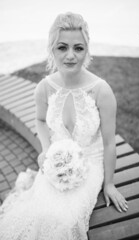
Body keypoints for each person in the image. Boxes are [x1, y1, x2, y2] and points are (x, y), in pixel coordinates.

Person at [0, 12, 128, 239]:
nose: (70, 56)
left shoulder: (101, 91)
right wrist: (47, 149)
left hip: (90, 163)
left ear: (86, 50)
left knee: (66, 221)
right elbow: (40, 120)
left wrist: (109, 184)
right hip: (56, 160)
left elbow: (109, 143)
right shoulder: (44, 88)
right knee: (37, 214)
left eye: (78, 48)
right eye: (62, 48)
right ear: (52, 49)